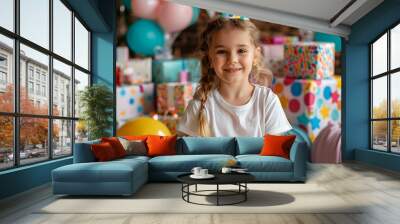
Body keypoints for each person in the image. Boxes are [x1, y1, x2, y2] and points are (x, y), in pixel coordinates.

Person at [177, 16, 292, 137]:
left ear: (255, 56)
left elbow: (275, 154)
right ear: (210, 58)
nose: (232, 60)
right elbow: (185, 153)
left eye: (241, 50)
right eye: (221, 51)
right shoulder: (199, 106)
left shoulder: (267, 101)